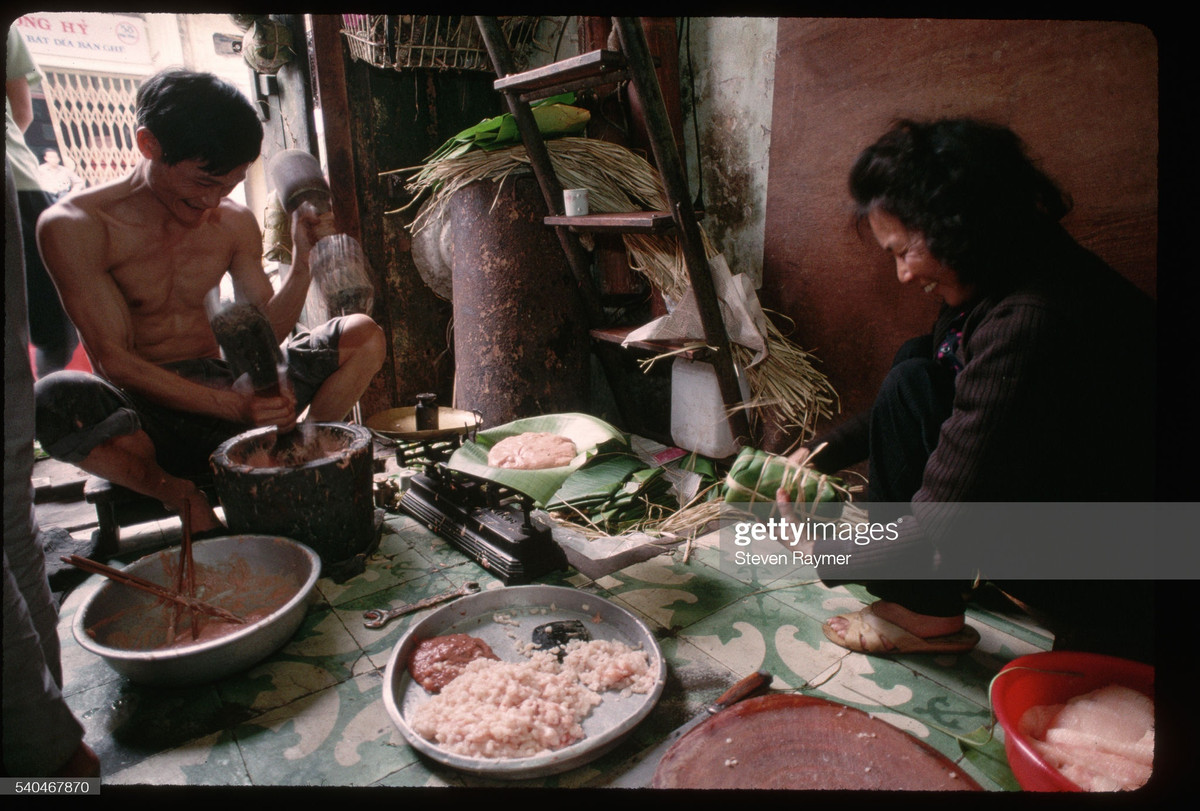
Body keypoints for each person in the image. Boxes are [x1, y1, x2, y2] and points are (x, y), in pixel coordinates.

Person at [778, 118, 1156, 662]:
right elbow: (947, 387)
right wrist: (820, 452)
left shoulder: (1031, 320)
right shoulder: (1005, 262)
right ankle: (927, 600)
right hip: (1070, 500)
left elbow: (942, 525)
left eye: (903, 252)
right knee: (916, 363)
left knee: (912, 381)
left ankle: (920, 610)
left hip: (1122, 571)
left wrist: (822, 549)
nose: (903, 275)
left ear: (955, 229)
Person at [33, 69, 386, 537]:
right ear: (148, 144)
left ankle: (300, 456)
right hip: (147, 421)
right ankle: (178, 494)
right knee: (53, 398)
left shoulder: (232, 222)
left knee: (363, 335)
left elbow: (264, 336)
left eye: (229, 185)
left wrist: (303, 265)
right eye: (204, 182)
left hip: (229, 389)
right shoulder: (76, 225)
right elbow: (114, 361)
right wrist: (233, 407)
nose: (213, 200)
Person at [4, 157, 101, 778]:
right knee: (13, 515)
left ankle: (49, 759)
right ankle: (51, 753)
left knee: (13, 518)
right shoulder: (80, 222)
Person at [6, 25, 79, 377]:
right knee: (55, 324)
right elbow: (22, 111)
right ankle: (47, 398)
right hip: (16, 182)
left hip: (18, 183)